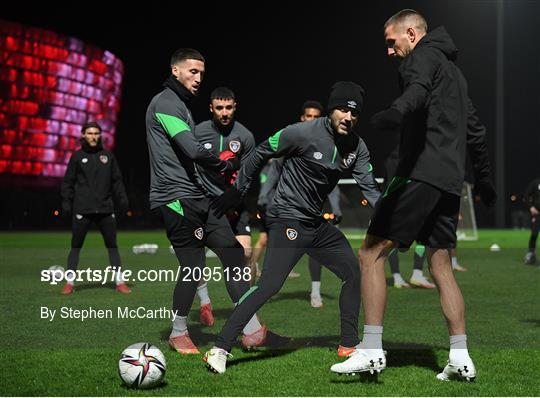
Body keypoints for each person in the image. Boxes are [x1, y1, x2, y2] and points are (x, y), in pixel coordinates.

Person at [331, 10, 495, 382]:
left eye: (391, 42)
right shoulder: (457, 76)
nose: (389, 51)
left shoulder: (421, 57)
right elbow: (476, 132)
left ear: (411, 34)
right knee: (440, 264)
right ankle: (460, 356)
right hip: (450, 184)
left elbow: (416, 92)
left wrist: (395, 111)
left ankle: (371, 351)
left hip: (421, 174)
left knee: (370, 252)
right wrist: (484, 183)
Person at [204, 81, 381, 374]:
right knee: (270, 285)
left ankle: (349, 345)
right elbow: (260, 151)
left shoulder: (357, 146)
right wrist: (238, 189)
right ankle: (220, 348)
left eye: (354, 113)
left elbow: (371, 190)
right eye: (341, 110)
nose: (348, 118)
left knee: (353, 272)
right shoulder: (301, 133)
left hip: (315, 223)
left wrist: (395, 219)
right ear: (330, 110)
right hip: (287, 219)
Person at [145, 48, 268, 355]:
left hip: (198, 196)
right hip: (174, 197)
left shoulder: (182, 106)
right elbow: (194, 150)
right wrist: (225, 165)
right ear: (175, 71)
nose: (198, 78)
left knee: (233, 255)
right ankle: (178, 332)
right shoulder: (165, 103)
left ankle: (252, 329)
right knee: (193, 267)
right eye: (192, 72)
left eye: (201, 72)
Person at [192, 87, 256, 326]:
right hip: (206, 205)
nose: (224, 112)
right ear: (211, 108)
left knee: (246, 253)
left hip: (235, 203)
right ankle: (205, 303)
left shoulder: (245, 136)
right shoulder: (197, 132)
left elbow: (248, 173)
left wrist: (234, 196)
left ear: (235, 107)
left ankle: (246, 307)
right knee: (196, 256)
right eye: (219, 108)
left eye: (228, 107)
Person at [60, 122, 130, 295]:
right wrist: (66, 202)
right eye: (90, 133)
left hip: (105, 209)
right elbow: (68, 182)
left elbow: (117, 181)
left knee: (112, 246)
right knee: (76, 246)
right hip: (82, 209)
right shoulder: (76, 157)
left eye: (96, 133)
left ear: (100, 135)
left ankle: (120, 282)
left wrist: (123, 199)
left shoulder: (108, 156)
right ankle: (69, 282)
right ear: (83, 135)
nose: (93, 136)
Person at [523, 177, 540, 265]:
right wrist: (531, 207)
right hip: (537, 213)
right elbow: (526, 195)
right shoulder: (536, 183)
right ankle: (531, 255)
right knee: (534, 234)